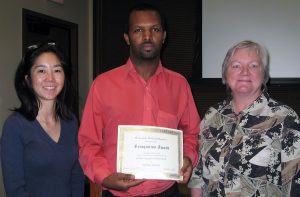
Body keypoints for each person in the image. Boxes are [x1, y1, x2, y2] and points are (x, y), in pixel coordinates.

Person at [78, 3, 200, 197]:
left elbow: (192, 133)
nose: (147, 37)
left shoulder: (179, 85)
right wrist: (105, 177)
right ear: (127, 38)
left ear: (164, 36)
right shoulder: (103, 85)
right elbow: (88, 143)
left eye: (155, 29)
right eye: (138, 30)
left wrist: (188, 156)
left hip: (167, 192)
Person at [188, 40, 300, 196]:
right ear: (225, 74)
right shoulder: (212, 115)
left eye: (253, 65)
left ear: (264, 74)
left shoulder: (286, 119)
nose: (245, 72)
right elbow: (198, 174)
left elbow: (295, 185)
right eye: (236, 66)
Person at [1, 43, 85, 197]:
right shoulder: (15, 126)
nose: (50, 78)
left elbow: (76, 175)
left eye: (57, 70)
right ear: (27, 79)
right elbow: (15, 189)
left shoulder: (71, 121)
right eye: (41, 71)